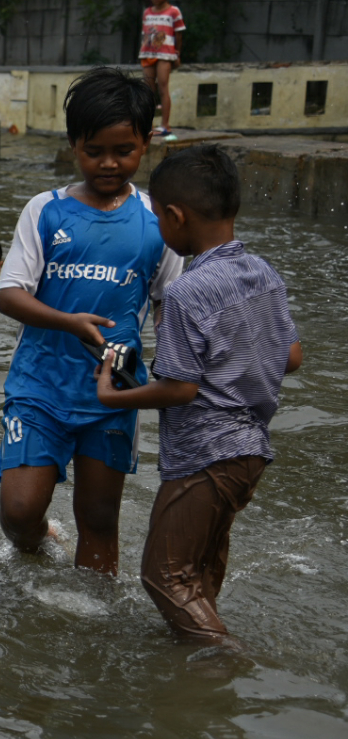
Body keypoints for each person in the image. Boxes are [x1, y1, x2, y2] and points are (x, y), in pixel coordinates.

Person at [93, 147, 301, 644]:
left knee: (164, 577)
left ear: (174, 215)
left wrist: (110, 394)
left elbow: (181, 389)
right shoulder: (262, 272)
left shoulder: (188, 290)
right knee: (200, 574)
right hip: (249, 451)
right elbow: (290, 356)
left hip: (205, 455)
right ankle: (196, 691)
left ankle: (227, 662)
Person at [0, 67, 183, 575]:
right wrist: (69, 322)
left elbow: (170, 306)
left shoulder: (157, 223)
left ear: (145, 143)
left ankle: (92, 620)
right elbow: (8, 294)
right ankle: (39, 541)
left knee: (100, 519)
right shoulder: (45, 212)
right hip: (40, 381)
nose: (108, 163)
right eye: (94, 150)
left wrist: (171, 375)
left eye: (123, 150)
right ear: (74, 144)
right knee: (18, 512)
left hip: (116, 383)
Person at [140, 0, 185, 140]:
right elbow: (145, 34)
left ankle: (165, 125)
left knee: (162, 88)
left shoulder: (174, 12)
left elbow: (179, 35)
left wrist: (177, 54)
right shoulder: (147, 12)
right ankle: (148, 125)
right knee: (147, 90)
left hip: (165, 54)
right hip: (147, 53)